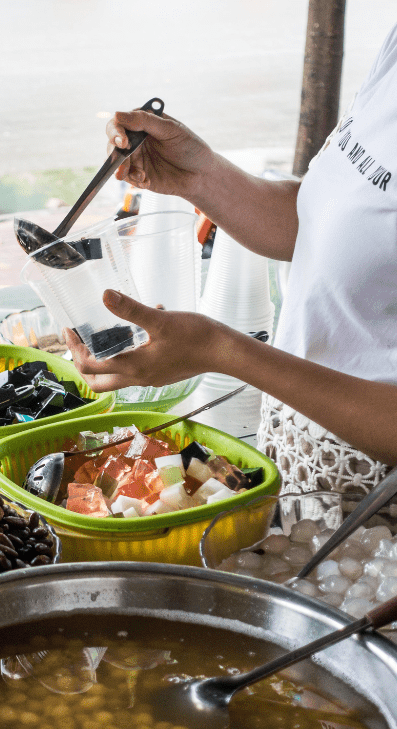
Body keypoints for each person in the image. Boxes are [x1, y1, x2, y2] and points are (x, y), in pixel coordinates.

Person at [65, 21, 397, 494]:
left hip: (376, 508)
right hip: (304, 469)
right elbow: (333, 229)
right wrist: (198, 176)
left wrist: (221, 350)